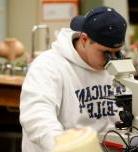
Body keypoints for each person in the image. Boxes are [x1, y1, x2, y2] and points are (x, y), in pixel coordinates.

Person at [19, 6, 127, 152]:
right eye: (106, 53)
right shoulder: (48, 66)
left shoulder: (114, 65)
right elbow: (37, 117)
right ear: (84, 39)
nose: (112, 60)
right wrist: (63, 146)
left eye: (117, 53)